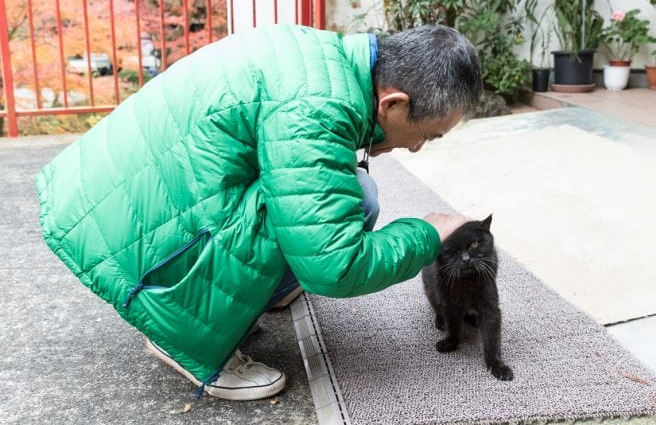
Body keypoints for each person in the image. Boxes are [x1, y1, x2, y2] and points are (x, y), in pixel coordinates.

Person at [36, 24, 482, 401]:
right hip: (120, 240)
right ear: (394, 103)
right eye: (428, 135)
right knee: (343, 215)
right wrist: (428, 233)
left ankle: (262, 290)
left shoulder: (324, 58)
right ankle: (180, 331)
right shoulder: (319, 107)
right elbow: (335, 267)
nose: (418, 146)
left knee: (349, 193)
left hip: (107, 201)